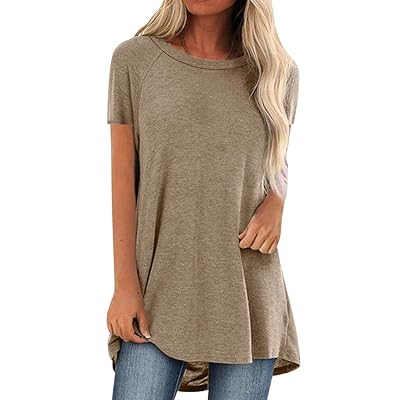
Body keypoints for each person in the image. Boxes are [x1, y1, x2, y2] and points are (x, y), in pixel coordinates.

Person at [106, 0, 300, 398]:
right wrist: (125, 287)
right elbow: (123, 182)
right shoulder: (135, 60)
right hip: (158, 289)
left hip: (248, 296)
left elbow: (275, 156)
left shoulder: (278, 72)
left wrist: (278, 200)